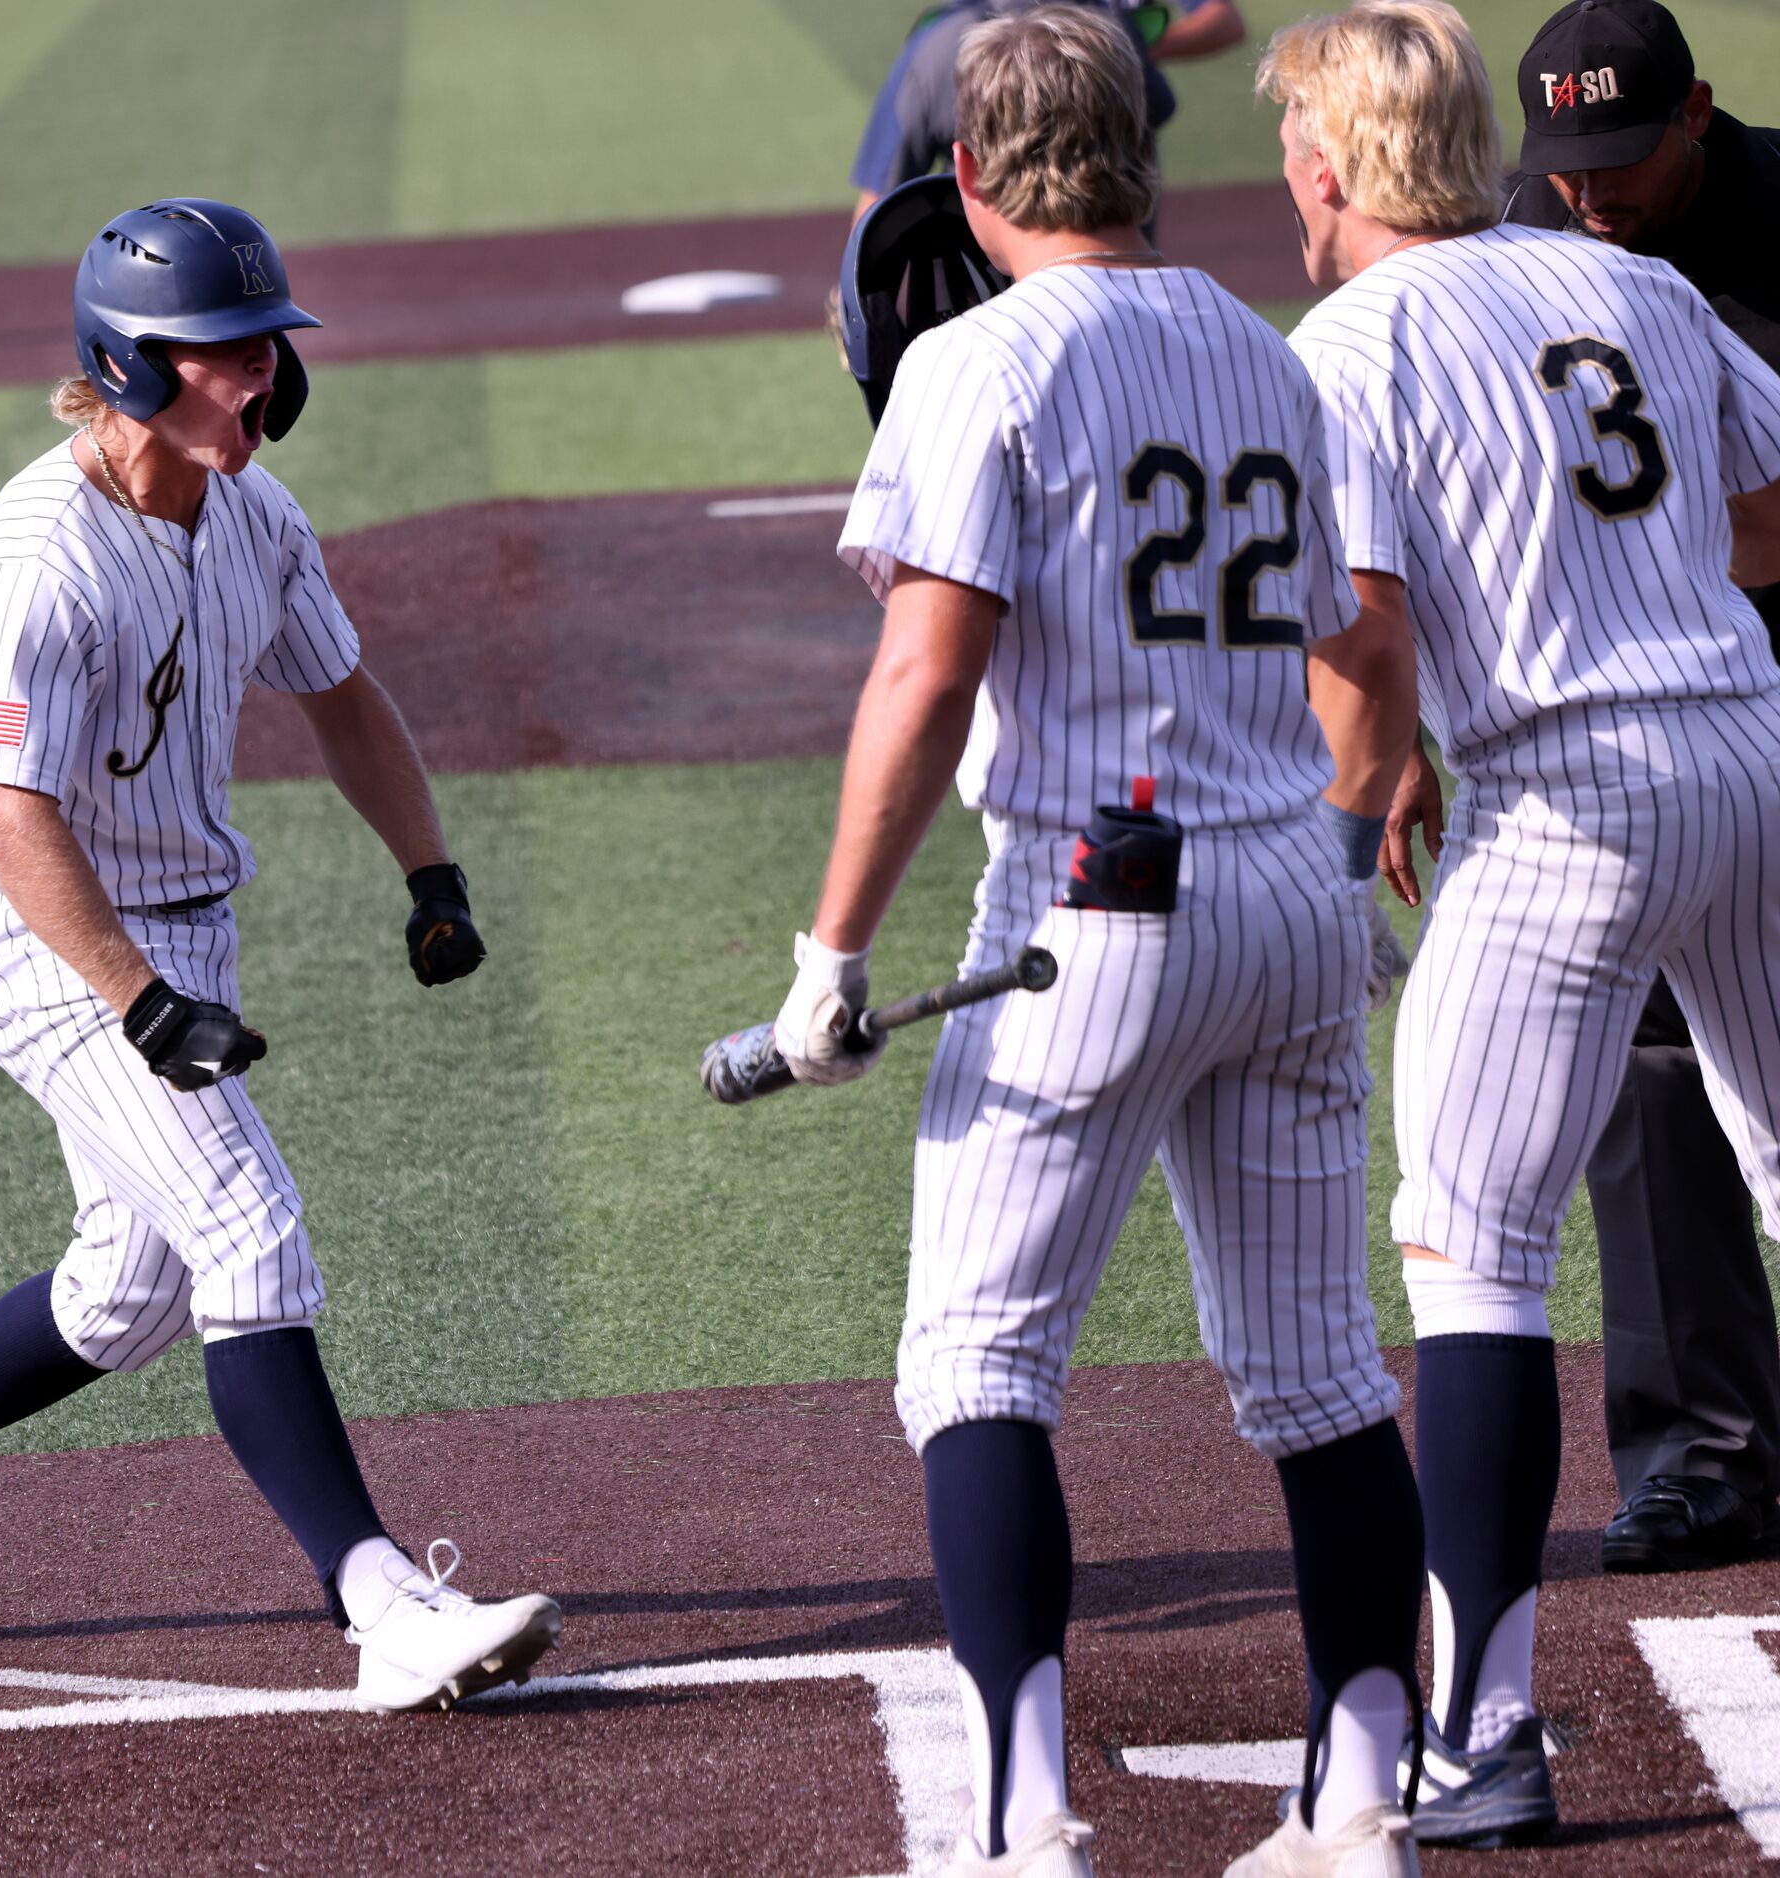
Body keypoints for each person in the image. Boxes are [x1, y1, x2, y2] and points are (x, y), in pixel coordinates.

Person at [0, 198, 562, 1711]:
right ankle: (381, 1604)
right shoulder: (37, 558)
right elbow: (12, 820)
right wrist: (142, 1005)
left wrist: (431, 872)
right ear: (128, 366)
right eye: (222, 354)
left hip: (188, 939)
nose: (261, 376)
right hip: (49, 949)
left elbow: (342, 695)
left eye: (268, 345)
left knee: (128, 1292)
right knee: (250, 1230)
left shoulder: (252, 512)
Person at [783, 9, 1427, 1873]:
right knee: (1314, 1373)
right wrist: (1327, 854)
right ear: (1143, 163)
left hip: (1090, 903)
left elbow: (924, 669)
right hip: (1286, 901)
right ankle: (1363, 1795)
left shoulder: (974, 361)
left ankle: (1025, 1816)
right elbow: (1359, 649)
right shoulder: (1264, 348)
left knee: (974, 1366)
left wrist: (830, 949)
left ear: (968, 178)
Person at [1267, 0, 1780, 1846]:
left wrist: (1340, 839)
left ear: (1327, 165)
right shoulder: (1622, 273)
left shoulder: (1348, 338)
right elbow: (1763, 512)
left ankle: (1477, 1732)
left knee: (1470, 1243)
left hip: (1567, 796)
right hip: (1746, 742)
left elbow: (1368, 639)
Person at [1496, 0, 1780, 1576]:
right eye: (1565, 161)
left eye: (1621, 159)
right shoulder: (1534, 228)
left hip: (1749, 675)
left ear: (1701, 116)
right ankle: (1706, 1458)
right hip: (1667, 718)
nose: (1588, 193)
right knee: (1655, 1062)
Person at [846, 0, 1246, 220]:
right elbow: (1160, 105)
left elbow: (878, 198)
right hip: (1113, 282)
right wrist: (1118, 57)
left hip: (978, 287)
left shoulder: (940, 44)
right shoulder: (1113, 34)